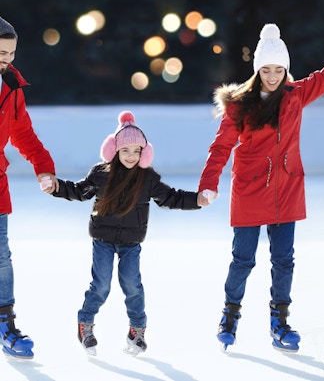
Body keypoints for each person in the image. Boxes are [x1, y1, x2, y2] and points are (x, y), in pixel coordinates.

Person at [198, 22, 324, 352]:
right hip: (250, 191)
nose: (272, 76)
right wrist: (208, 183)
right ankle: (229, 317)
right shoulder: (241, 104)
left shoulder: (295, 96)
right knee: (243, 260)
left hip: (286, 189)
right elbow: (221, 146)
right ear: (257, 70)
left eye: (278, 69)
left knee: (284, 261)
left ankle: (280, 323)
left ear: (286, 69)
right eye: (266, 70)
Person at [46, 111, 210, 356]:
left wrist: (197, 199)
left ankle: (137, 331)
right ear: (114, 151)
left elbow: (171, 197)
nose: (131, 156)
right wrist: (55, 187)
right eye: (125, 151)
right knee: (101, 285)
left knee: (132, 285)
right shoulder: (101, 174)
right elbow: (79, 191)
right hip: (103, 240)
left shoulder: (148, 178)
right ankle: (85, 324)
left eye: (136, 151)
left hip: (131, 243)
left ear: (144, 153)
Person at [0, 16, 58, 360]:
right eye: (0, 51)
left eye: (10, 52)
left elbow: (23, 134)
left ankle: (5, 322)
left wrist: (44, 168)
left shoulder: (11, 87)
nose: (6, 58)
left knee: (0, 259)